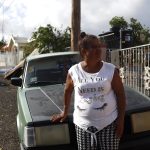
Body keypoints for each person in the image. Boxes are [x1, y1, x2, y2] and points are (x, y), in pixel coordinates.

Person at [51, 33, 126, 150]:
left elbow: (120, 95)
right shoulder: (74, 71)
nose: (99, 50)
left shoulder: (110, 70)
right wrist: (64, 112)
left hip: (109, 123)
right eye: (94, 47)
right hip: (83, 125)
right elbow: (68, 91)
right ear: (84, 51)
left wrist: (121, 120)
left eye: (99, 46)